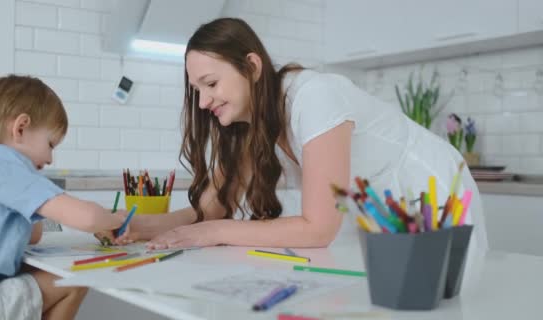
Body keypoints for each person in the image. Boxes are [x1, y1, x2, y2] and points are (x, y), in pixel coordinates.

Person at [107, 17, 487, 256]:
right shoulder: (247, 123)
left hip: (434, 193)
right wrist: (142, 227)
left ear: (252, 66)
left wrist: (212, 233)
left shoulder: (313, 97)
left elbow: (319, 227)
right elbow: (212, 208)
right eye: (197, 90)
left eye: (210, 84)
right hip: (387, 216)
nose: (203, 101)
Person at [0, 75, 129, 320]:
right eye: (50, 144)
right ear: (21, 128)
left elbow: (33, 235)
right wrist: (113, 219)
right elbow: (88, 217)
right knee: (75, 279)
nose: (50, 160)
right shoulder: (3, 166)